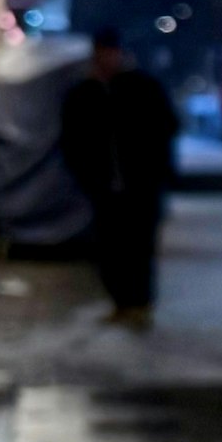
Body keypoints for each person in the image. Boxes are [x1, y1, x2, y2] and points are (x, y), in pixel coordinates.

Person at [60, 27, 179, 330]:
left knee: (138, 246)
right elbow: (71, 139)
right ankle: (121, 302)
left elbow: (166, 126)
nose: (107, 59)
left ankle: (139, 303)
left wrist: (157, 169)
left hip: (141, 185)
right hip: (105, 187)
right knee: (110, 247)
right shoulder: (85, 93)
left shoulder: (141, 87)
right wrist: (85, 176)